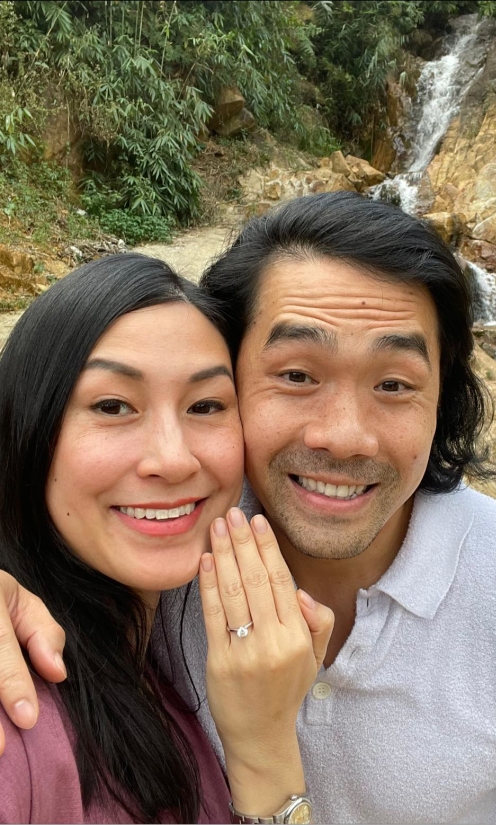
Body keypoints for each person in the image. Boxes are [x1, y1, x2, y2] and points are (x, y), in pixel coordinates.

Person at [0, 193, 496, 823]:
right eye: (298, 376)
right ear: (234, 372)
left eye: (394, 384)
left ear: (443, 403)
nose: (345, 436)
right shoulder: (172, 538)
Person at [0, 253, 333, 823]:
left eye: (205, 405)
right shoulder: (18, 719)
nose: (174, 459)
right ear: (27, 428)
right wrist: (264, 759)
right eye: (112, 406)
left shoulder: (147, 666)